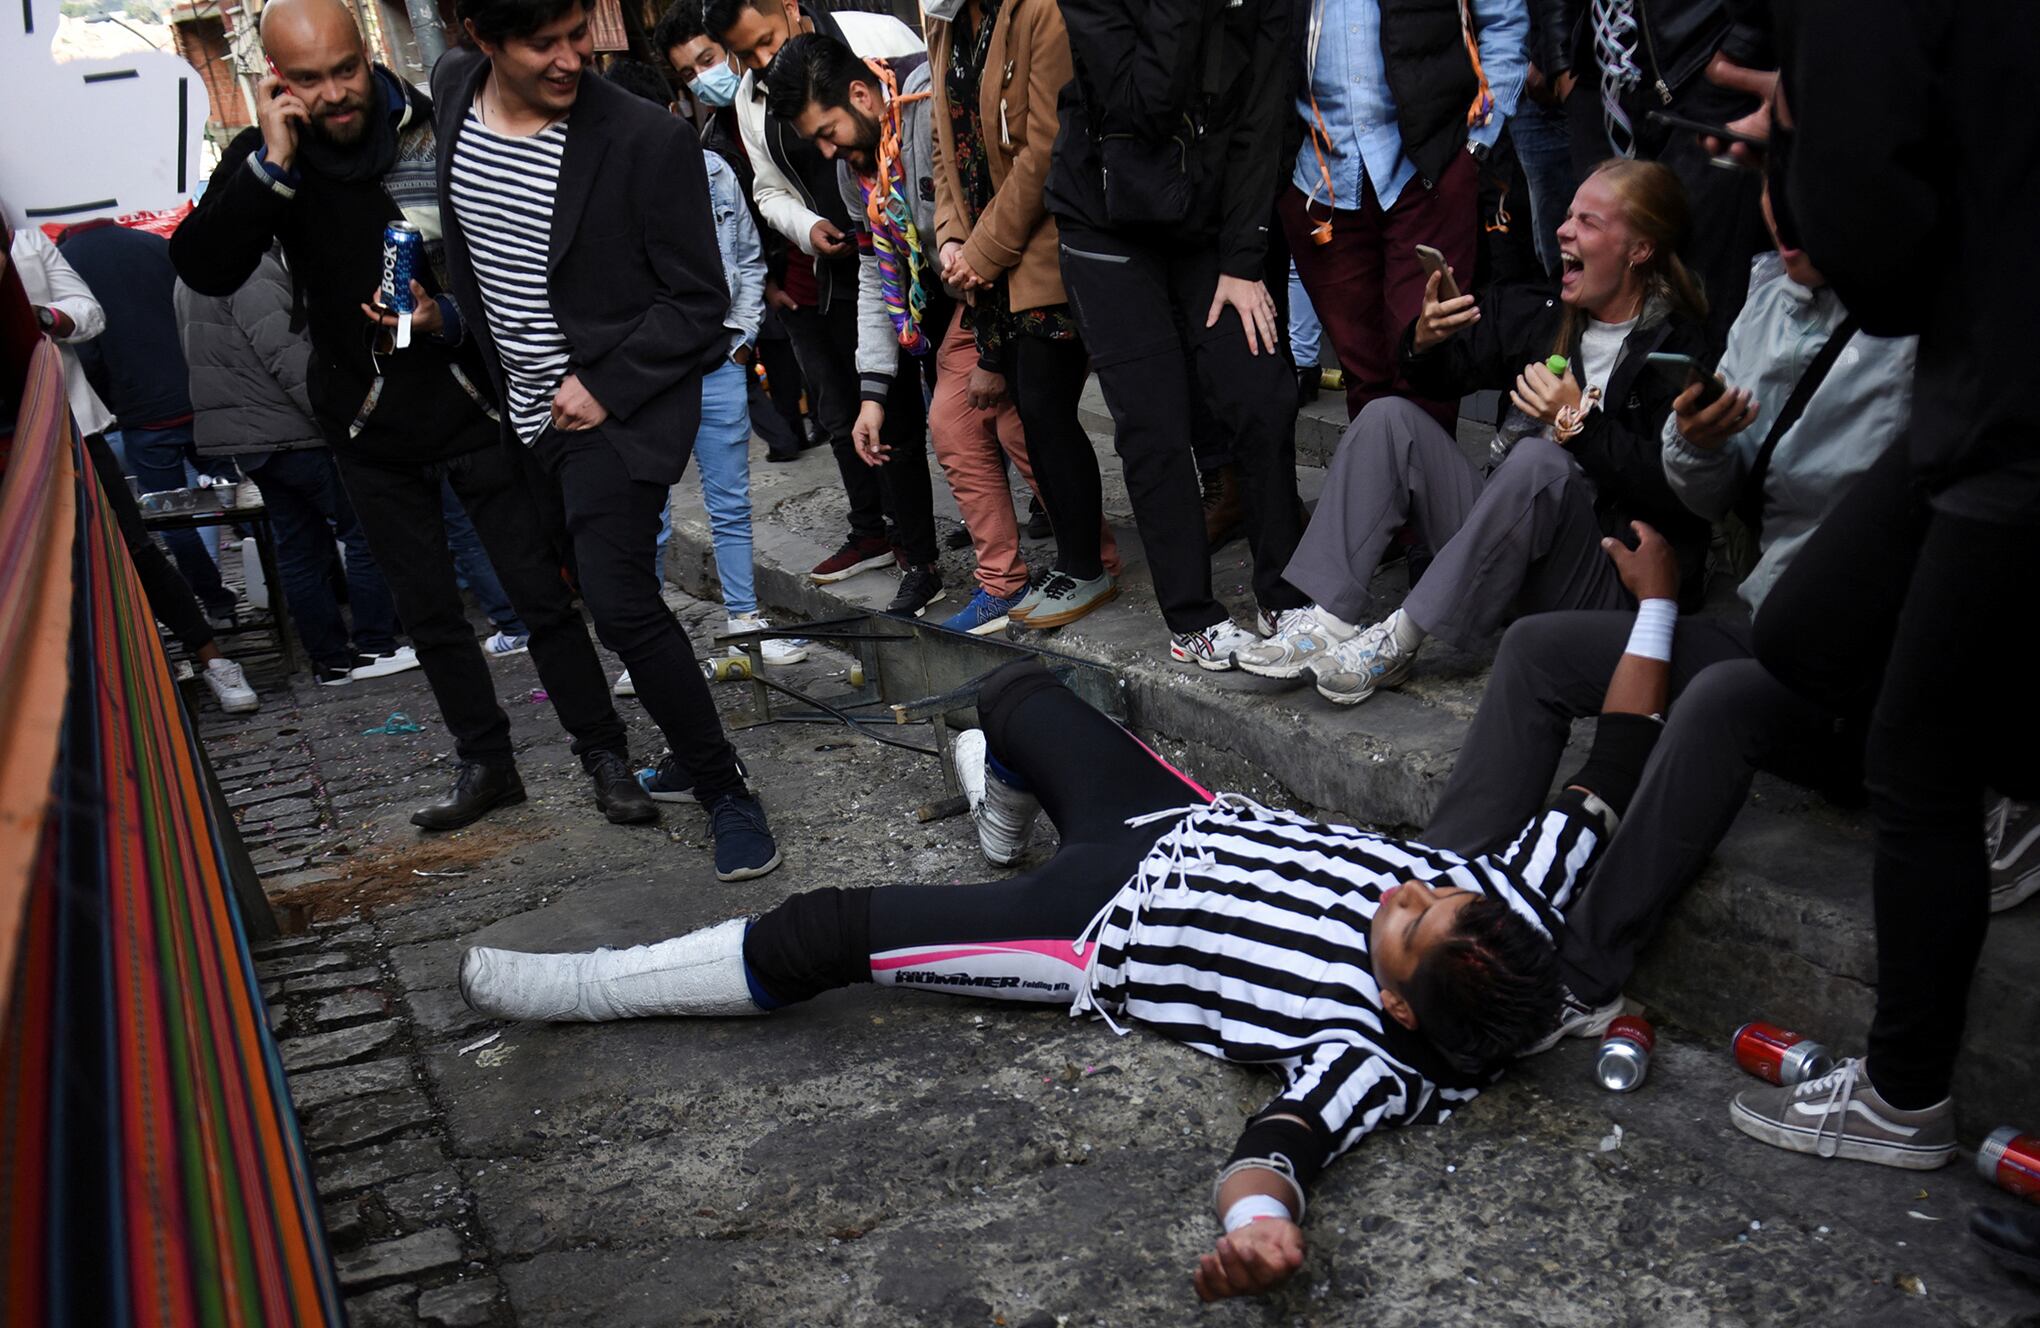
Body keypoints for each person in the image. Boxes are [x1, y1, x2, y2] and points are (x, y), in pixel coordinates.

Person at [459, 523, 1689, 1302]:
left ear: (1395, 1000)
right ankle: (997, 805)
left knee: (831, 930)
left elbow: (1277, 1149)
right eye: (1436, 885)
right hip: (1172, 812)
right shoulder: (1508, 910)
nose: (1413, 881)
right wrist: (1656, 599)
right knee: (1015, 687)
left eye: (1408, 917)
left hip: (1093, 922)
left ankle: (580, 988)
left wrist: (1261, 1230)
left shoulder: (1376, 1061)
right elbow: (1617, 757)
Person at [1423, 186, 1915, 1045]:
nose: (1782, 222)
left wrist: (1593, 435)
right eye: (1772, 193)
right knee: (1539, 650)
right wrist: (1698, 440)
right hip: (1772, 619)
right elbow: (1712, 488)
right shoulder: (1770, 297)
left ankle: (1581, 974)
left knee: (1721, 697)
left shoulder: (1925, 338)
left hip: (1863, 667)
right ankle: (1442, 889)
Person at [170, 0, 656, 833]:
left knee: (541, 597)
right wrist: (273, 165)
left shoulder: (441, 134)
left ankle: (604, 754)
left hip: (473, 408)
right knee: (430, 614)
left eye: (346, 70)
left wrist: (450, 318)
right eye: (310, 80)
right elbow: (204, 265)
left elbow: (518, 256)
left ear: (368, 55)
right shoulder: (270, 162)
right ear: (279, 83)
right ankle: (488, 765)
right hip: (364, 429)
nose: (335, 94)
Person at [1722, 2, 2040, 1172]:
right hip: (1983, 381)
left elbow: (1880, 266)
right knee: (1806, 622)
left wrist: (1799, 135)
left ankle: (1906, 1094)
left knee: (1916, 754)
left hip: (2007, 392)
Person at [429, 0, 781, 880]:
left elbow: (699, 300)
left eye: (576, 36)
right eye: (540, 44)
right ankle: (646, 755)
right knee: (559, 598)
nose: (567, 59)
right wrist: (444, 319)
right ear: (479, 38)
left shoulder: (644, 140)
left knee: (621, 602)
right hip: (512, 412)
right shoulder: (449, 90)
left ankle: (724, 785)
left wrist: (604, 386)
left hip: (613, 409)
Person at [1238, 159, 1709, 704]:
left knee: (1538, 463)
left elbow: (1681, 492)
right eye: (1568, 215)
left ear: (1640, 249)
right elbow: (1440, 377)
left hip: (1602, 583)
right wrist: (1426, 338)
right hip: (1505, 553)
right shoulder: (1545, 311)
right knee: (1389, 418)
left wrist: (1578, 423)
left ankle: (1398, 640)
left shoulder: (1678, 353)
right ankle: (1327, 621)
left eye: (1589, 222)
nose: (1563, 229)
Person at [1045, 0, 1308, 669]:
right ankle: (1194, 619)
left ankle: (1287, 594)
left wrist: (1243, 261)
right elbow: (1143, 105)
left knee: (1260, 389)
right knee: (1155, 418)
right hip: (1106, 215)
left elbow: (1262, 115)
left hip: (1206, 214)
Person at [704, 0, 937, 602]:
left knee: (956, 413)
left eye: (764, 40)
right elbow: (767, 189)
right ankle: (910, 549)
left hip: (925, 245)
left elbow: (925, 134)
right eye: (744, 54)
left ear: (788, 7)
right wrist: (806, 225)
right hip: (849, 265)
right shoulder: (751, 100)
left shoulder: (873, 40)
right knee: (866, 410)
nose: (760, 61)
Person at [6, 210, 261, 715]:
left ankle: (211, 659)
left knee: (134, 546)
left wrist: (41, 316)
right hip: (10, 441)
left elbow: (88, 312)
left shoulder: (28, 242)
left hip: (70, 420)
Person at [600, 59, 809, 670]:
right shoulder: (604, 192)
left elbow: (746, 260)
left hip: (717, 363)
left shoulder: (714, 172)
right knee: (648, 516)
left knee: (731, 502)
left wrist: (741, 340)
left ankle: (746, 621)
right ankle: (652, 651)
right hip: (646, 379)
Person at [925, 0, 1123, 633]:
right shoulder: (945, 24)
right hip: (986, 257)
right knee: (1030, 415)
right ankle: (1073, 562)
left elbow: (1045, 147)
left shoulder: (1039, 12)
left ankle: (1085, 564)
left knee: (1045, 405)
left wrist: (982, 249)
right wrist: (952, 235)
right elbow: (944, 146)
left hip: (1042, 246)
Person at [763, 32, 955, 620]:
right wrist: (872, 390)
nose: (826, 152)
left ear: (860, 95)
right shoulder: (855, 173)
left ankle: (1060, 559)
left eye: (828, 132)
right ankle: (921, 566)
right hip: (912, 306)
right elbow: (877, 276)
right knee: (892, 426)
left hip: (972, 284)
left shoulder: (926, 103)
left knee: (986, 428)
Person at [1280, 0, 1528, 427]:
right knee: (1363, 370)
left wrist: (1477, 142)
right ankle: (1382, 487)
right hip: (1321, 179)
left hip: (1432, 164)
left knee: (1428, 362)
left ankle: (1426, 490)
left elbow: (1503, 20)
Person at [175, 246, 412, 687]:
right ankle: (376, 645)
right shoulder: (246, 266)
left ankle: (331, 660)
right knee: (365, 529)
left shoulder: (194, 268)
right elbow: (284, 354)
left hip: (251, 437)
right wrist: (342, 417)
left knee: (300, 547)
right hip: (289, 431)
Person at [53, 218, 242, 629]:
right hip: (199, 394)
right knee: (242, 497)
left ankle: (216, 600)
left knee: (171, 514)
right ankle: (284, 576)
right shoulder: (152, 245)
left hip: (142, 413)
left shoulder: (65, 263)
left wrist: (105, 405)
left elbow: (88, 354)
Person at [1555, 0, 1769, 340]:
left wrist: (1739, 49)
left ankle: (1695, 390)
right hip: (1604, 80)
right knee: (1601, 263)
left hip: (1703, 78)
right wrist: (1561, 62)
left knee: (1698, 287)